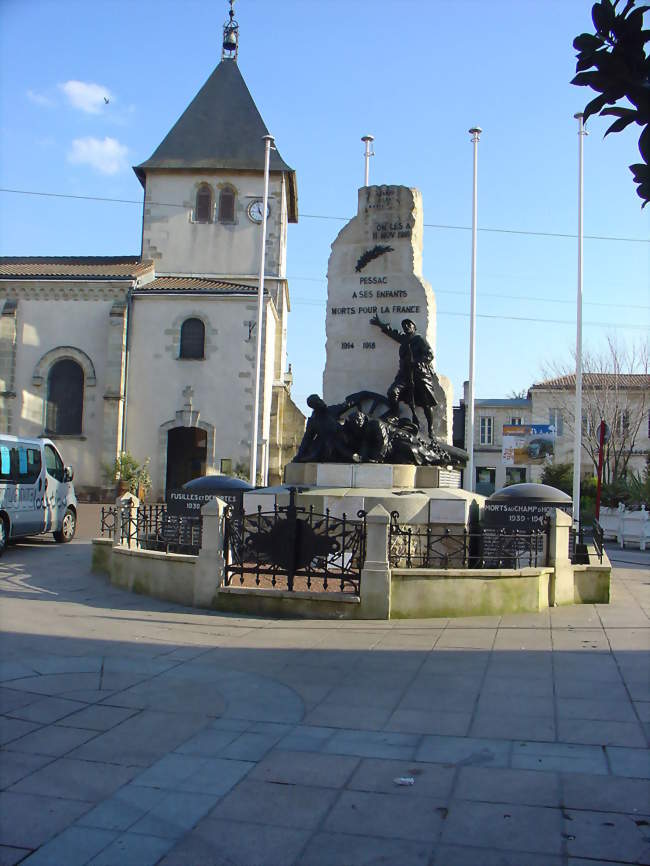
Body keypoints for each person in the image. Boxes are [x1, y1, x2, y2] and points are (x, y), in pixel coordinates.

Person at [369, 315, 438, 437]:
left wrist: (416, 362)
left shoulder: (419, 340)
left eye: (408, 324)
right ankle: (395, 414)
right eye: (404, 325)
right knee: (392, 392)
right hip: (404, 375)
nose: (406, 326)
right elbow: (393, 333)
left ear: (414, 327)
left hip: (419, 375)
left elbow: (429, 355)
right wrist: (380, 324)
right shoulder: (405, 339)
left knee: (426, 403)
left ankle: (430, 429)